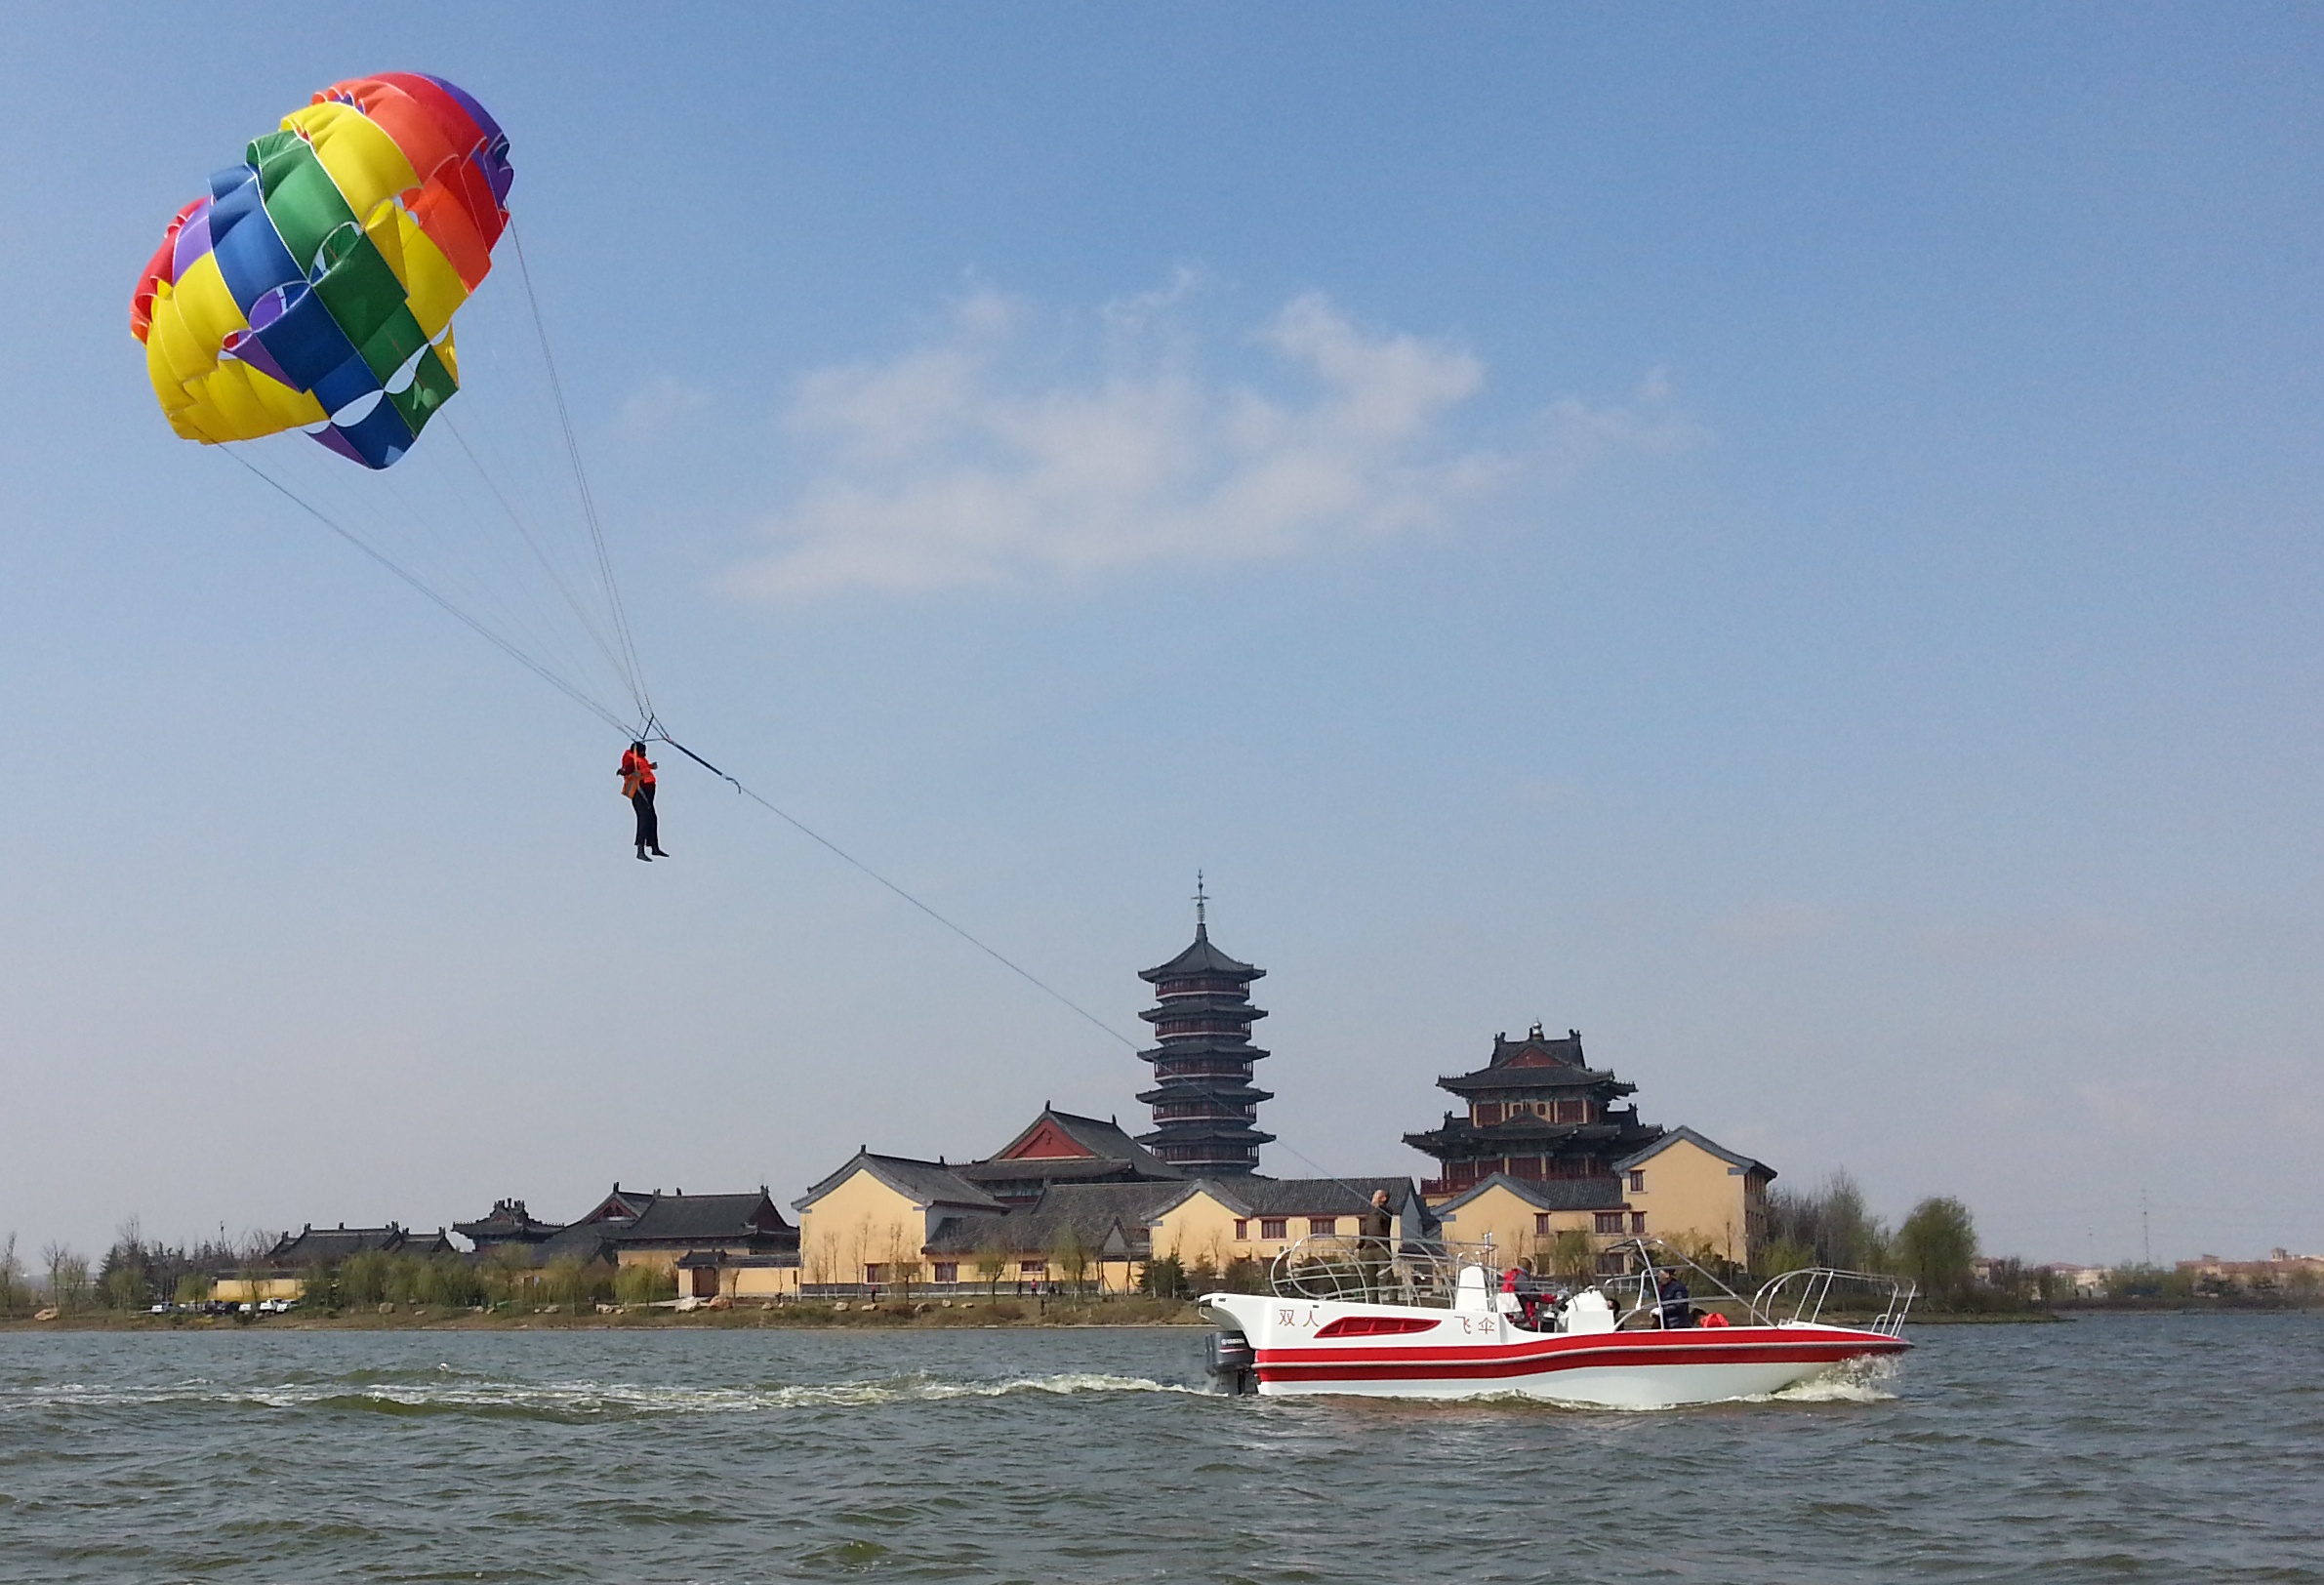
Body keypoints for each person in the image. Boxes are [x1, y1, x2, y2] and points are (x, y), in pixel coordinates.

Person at [621, 742, 668, 861]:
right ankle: (640, 850)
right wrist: (624, 771)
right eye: (642, 751)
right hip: (640, 792)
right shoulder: (631, 759)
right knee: (644, 818)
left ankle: (654, 847)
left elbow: (642, 769)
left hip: (648, 791)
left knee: (652, 818)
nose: (645, 754)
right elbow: (627, 769)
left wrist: (650, 767)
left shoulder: (640, 759)